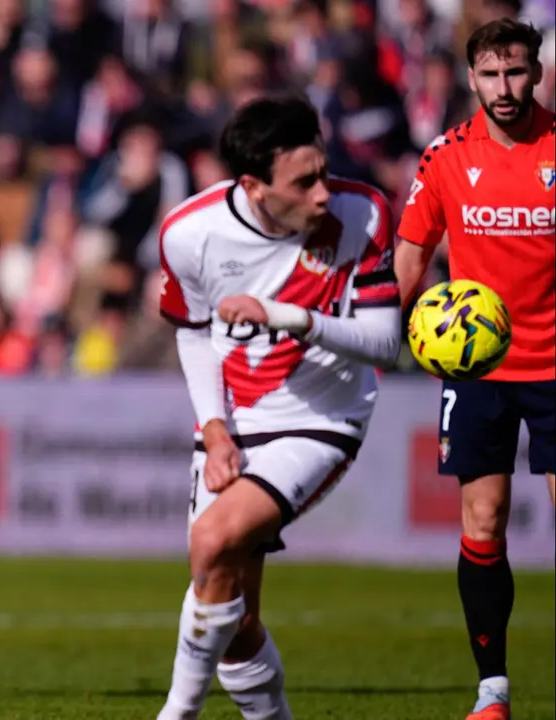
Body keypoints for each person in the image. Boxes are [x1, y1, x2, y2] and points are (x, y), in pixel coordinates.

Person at [155, 95, 403, 720]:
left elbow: (385, 342)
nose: (323, 193)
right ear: (254, 187)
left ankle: (175, 714)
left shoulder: (363, 212)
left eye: (323, 171)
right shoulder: (189, 233)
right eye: (304, 181)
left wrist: (289, 317)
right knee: (237, 620)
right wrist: (214, 431)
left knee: (210, 542)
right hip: (236, 419)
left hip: (322, 419)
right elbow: (192, 332)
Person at [394, 18, 555, 720]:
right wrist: (380, 337)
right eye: (489, 75)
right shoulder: (444, 157)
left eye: (515, 72)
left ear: (537, 73)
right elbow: (409, 252)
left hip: (555, 366)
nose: (503, 88)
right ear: (470, 80)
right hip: (476, 370)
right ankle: (491, 690)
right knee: (482, 519)